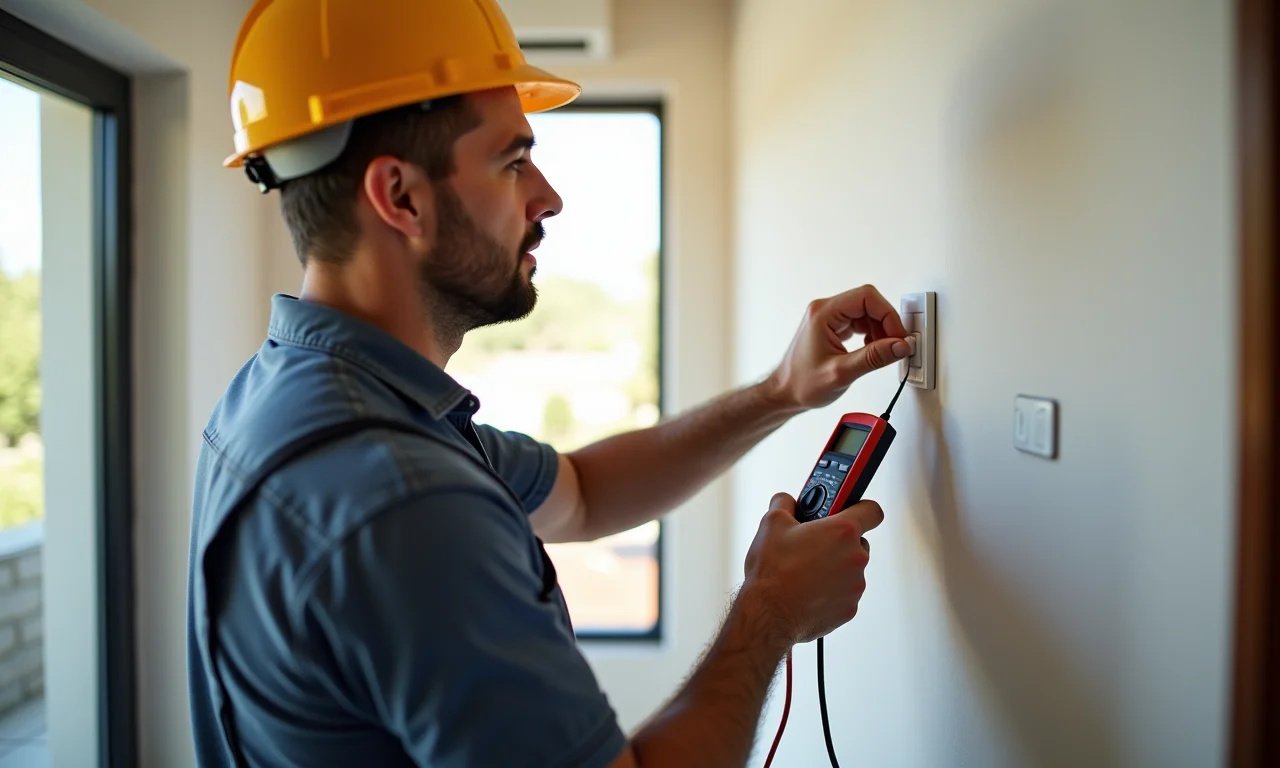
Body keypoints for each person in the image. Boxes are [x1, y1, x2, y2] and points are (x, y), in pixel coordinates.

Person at [186, 1, 914, 766]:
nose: (548, 197)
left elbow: (584, 492)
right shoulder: (404, 498)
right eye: (512, 161)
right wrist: (767, 613)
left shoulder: (294, 396)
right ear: (400, 197)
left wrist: (779, 392)